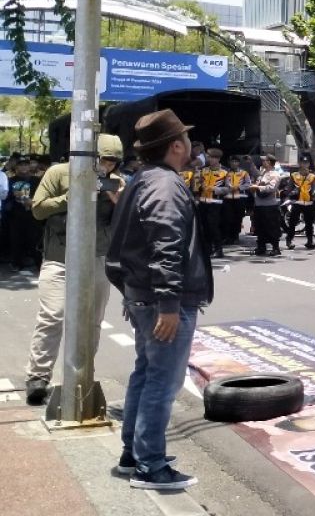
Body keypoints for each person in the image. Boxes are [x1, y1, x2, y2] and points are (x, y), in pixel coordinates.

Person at [105, 109, 210, 490]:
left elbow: (121, 250)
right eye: (186, 141)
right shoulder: (165, 185)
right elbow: (166, 246)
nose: (191, 149)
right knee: (162, 384)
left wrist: (134, 295)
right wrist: (167, 303)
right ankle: (150, 465)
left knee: (146, 374)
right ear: (176, 146)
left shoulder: (141, 180)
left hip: (143, 295)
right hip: (163, 301)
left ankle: (134, 454)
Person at [23, 134, 125, 406]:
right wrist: (73, 197)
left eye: (113, 161)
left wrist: (120, 203)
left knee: (92, 319)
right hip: (59, 256)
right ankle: (38, 376)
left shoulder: (117, 182)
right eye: (104, 159)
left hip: (96, 257)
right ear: (92, 156)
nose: (108, 165)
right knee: (52, 315)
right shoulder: (58, 173)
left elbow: (128, 221)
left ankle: (82, 374)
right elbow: (38, 210)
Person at [194, 147, 228, 259]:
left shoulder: (224, 172)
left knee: (213, 226)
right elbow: (198, 186)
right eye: (209, 157)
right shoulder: (204, 170)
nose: (210, 159)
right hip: (203, 202)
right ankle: (207, 249)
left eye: (212, 157)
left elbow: (228, 188)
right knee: (204, 226)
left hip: (215, 202)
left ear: (218, 159)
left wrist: (215, 189)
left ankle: (218, 249)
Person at [249, 157, 283, 257]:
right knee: (260, 227)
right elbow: (255, 174)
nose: (263, 162)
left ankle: (275, 248)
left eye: (265, 160)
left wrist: (257, 187)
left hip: (269, 205)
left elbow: (272, 188)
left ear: (270, 162)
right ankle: (261, 247)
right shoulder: (262, 173)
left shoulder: (275, 174)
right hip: (259, 204)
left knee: (272, 227)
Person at [285, 156, 315, 250]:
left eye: (306, 163)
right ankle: (289, 240)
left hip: (308, 203)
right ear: (300, 163)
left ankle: (310, 241)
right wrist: (291, 194)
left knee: (309, 223)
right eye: (303, 163)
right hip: (297, 202)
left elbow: (314, 190)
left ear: (309, 164)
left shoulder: (312, 176)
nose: (305, 165)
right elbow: (289, 189)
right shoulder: (294, 175)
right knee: (292, 222)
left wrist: (314, 197)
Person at [222, 155, 251, 245]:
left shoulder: (244, 173)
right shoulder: (226, 173)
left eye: (236, 161)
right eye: (232, 161)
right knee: (228, 217)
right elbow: (225, 182)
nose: (234, 163)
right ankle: (228, 237)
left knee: (237, 218)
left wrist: (239, 187)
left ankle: (235, 236)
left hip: (240, 198)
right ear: (229, 163)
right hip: (228, 198)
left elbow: (248, 184)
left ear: (238, 163)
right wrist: (229, 187)